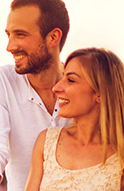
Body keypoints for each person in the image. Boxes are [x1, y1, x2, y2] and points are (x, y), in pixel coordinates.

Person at [0, 0, 71, 191]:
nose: (10, 47)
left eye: (21, 35)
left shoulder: (87, 85)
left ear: (53, 37)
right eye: (9, 35)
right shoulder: (1, 80)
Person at [25, 47, 124, 191]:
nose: (56, 87)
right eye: (62, 77)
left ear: (100, 93)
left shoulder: (120, 157)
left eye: (70, 80)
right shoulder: (47, 142)